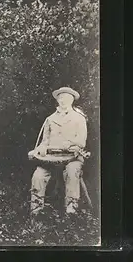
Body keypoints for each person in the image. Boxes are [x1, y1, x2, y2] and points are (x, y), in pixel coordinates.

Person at [28, 87, 88, 215]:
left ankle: (71, 209)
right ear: (57, 100)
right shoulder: (50, 119)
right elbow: (44, 141)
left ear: (72, 100)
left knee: (72, 172)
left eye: (66, 98)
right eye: (60, 98)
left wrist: (68, 145)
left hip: (72, 157)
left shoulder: (79, 118)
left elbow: (81, 142)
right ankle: (36, 210)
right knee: (38, 176)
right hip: (51, 158)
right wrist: (41, 149)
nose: (63, 101)